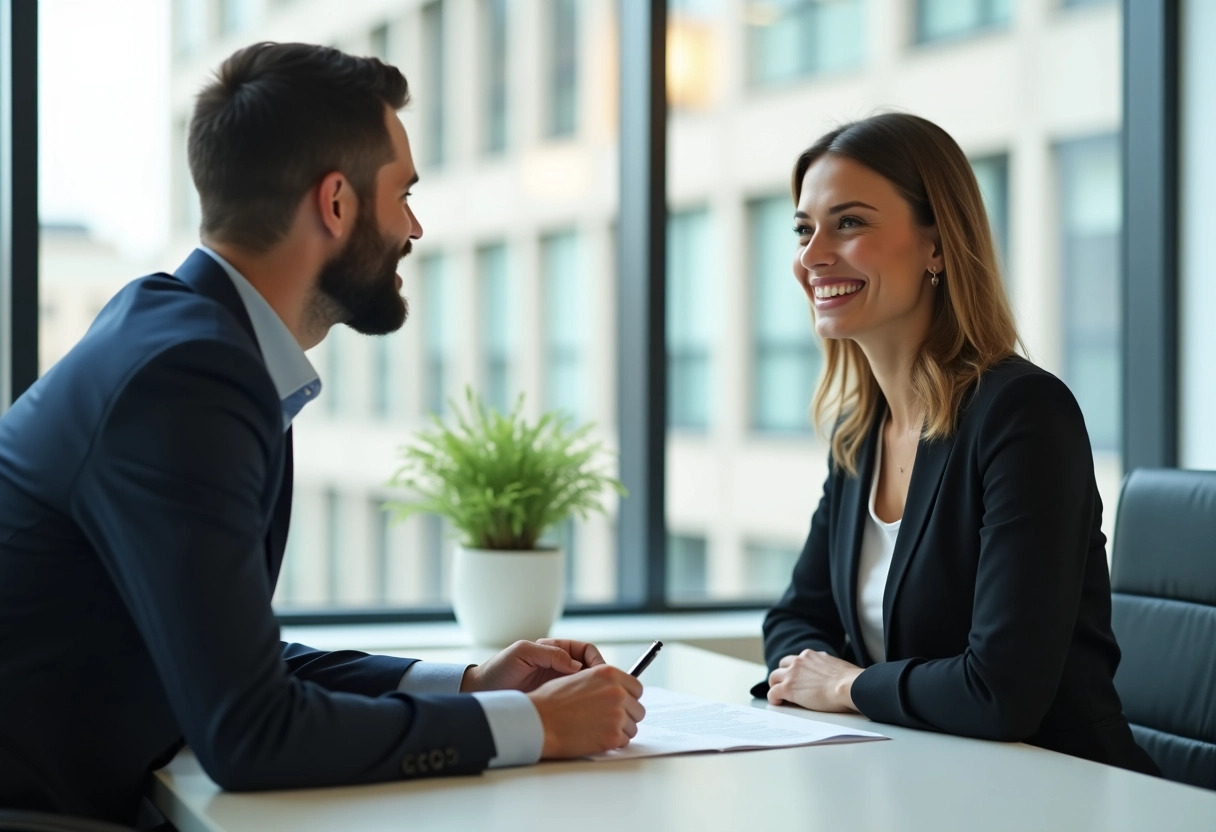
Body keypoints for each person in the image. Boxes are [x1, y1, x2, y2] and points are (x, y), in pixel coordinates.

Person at [0, 42, 644, 826]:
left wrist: (471, 685)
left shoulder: (184, 335)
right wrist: (536, 727)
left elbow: (236, 664)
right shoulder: (190, 376)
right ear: (336, 203)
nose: (414, 226)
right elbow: (251, 731)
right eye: (402, 193)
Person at [752, 112, 1157, 775]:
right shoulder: (861, 430)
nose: (812, 255)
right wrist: (821, 675)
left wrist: (845, 686)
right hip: (921, 780)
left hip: (1064, 792)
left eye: (849, 223)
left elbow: (1000, 691)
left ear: (936, 246)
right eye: (804, 229)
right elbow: (794, 622)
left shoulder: (1023, 415)